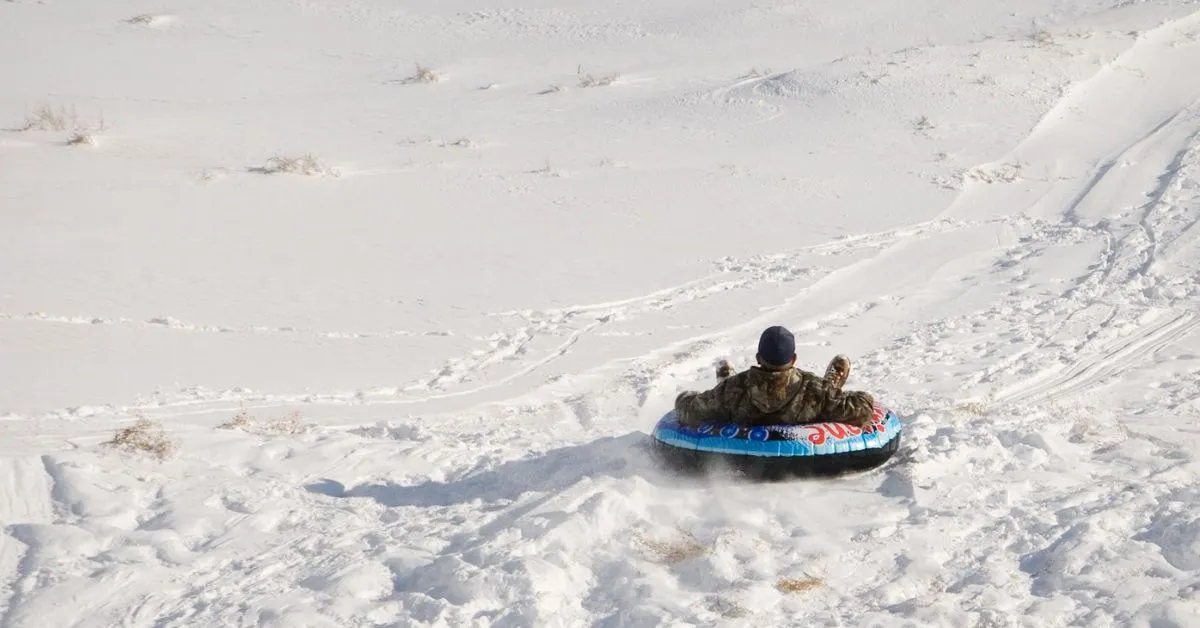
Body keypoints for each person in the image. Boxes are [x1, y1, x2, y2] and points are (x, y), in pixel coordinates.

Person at [674, 325, 875, 427]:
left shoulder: (735, 387)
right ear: (794, 359)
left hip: (739, 405)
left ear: (758, 358)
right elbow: (863, 409)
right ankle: (833, 388)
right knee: (826, 397)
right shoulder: (814, 389)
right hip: (806, 440)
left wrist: (684, 398)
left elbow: (691, 410)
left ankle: (723, 381)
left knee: (725, 397)